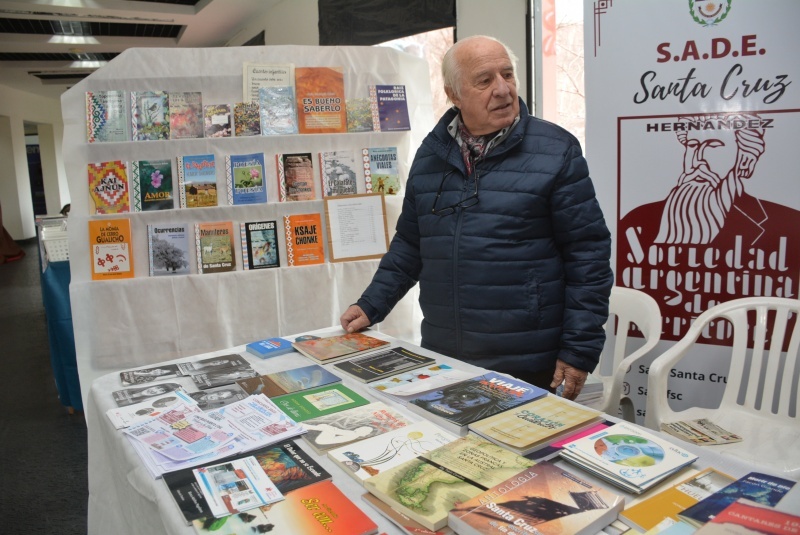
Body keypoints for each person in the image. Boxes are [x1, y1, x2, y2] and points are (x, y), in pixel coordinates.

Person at [340, 35, 613, 400]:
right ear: (454, 95)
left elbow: (588, 255)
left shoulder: (556, 150)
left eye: (508, 75)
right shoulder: (430, 155)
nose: (502, 90)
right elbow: (411, 244)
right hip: (444, 355)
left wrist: (579, 349)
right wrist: (371, 304)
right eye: (484, 81)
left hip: (528, 359)